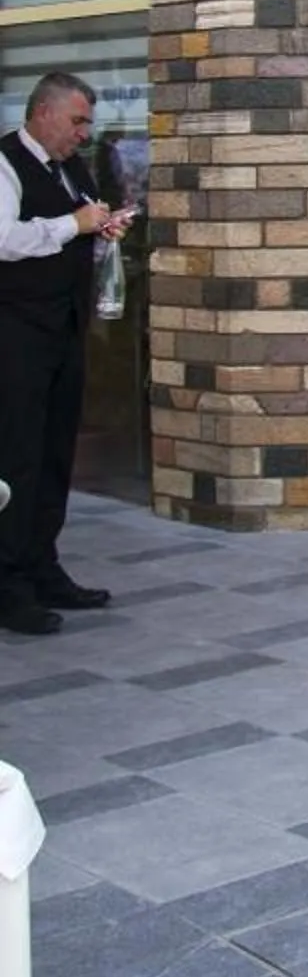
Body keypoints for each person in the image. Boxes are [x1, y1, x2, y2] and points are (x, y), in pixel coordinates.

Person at [0, 71, 133, 637]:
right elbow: (5, 239)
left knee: (56, 456)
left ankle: (43, 567)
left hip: (64, 331)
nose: (85, 133)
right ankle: (8, 586)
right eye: (77, 121)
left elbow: (77, 220)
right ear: (44, 113)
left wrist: (99, 227)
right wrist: (70, 225)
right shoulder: (5, 164)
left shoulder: (70, 168)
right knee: (16, 460)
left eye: (88, 123)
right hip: (14, 338)